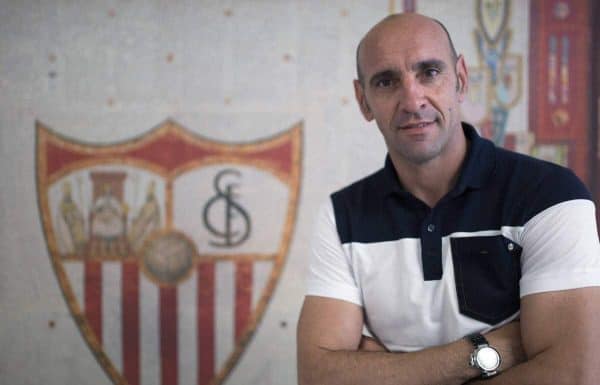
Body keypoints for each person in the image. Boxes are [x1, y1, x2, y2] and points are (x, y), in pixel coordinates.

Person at [297, 12, 600, 385]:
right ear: (364, 101)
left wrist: (386, 372)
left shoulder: (550, 195)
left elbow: (574, 374)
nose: (412, 99)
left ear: (459, 79)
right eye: (387, 81)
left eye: (429, 72)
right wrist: (485, 352)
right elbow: (319, 375)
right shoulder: (341, 215)